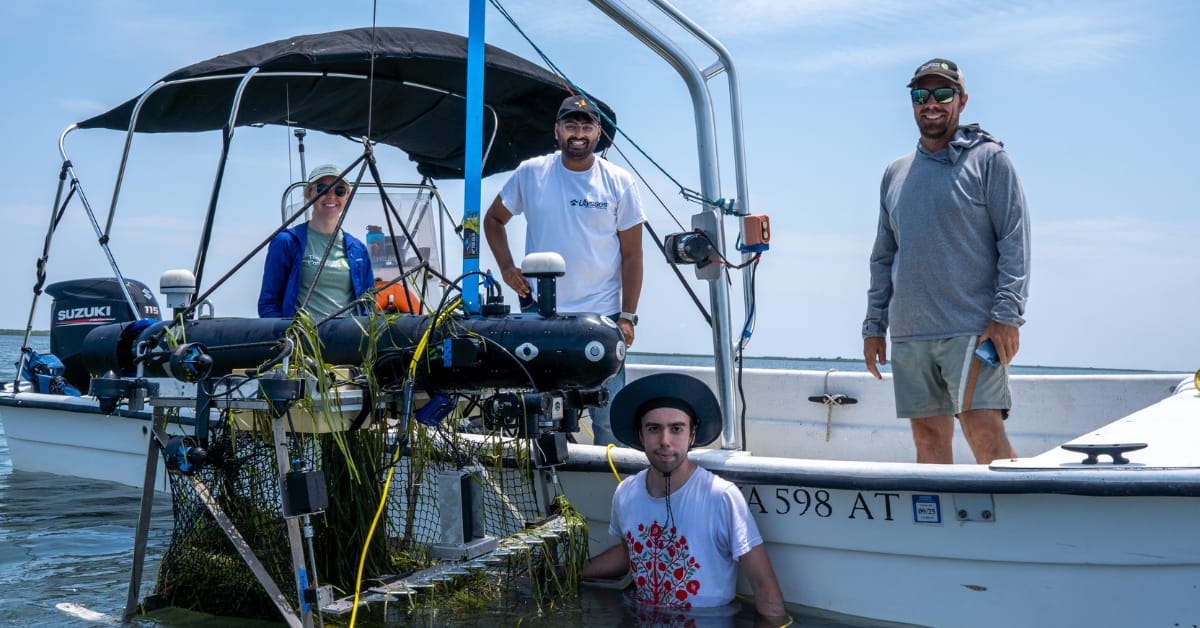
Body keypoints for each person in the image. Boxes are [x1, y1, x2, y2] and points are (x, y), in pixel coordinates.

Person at [862, 58, 1031, 464]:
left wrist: (1007, 316)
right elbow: (883, 256)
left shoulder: (990, 159)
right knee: (927, 439)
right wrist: (874, 326)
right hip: (910, 333)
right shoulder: (895, 173)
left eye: (942, 93)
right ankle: (939, 510)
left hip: (973, 329)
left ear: (962, 100)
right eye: (921, 95)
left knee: (984, 432)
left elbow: (1014, 240)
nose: (931, 103)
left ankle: (1015, 508)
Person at [483, 94, 645, 446]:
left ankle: (609, 482)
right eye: (571, 125)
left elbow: (633, 255)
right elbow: (493, 220)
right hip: (541, 318)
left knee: (610, 423)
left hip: (603, 319)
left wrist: (628, 316)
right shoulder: (531, 172)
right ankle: (553, 480)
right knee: (544, 420)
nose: (578, 134)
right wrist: (507, 267)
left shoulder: (620, 181)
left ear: (599, 133)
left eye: (587, 127)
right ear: (557, 130)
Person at [579, 373, 788, 623]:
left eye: (676, 429)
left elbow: (765, 590)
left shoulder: (721, 497)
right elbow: (630, 554)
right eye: (654, 429)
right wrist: (570, 573)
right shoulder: (626, 493)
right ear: (640, 435)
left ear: (692, 435)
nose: (665, 441)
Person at [258, 164, 374, 320]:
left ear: (347, 196)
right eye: (322, 189)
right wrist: (286, 332)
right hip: (303, 333)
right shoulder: (286, 242)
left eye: (339, 190)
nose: (331, 196)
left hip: (348, 334)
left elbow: (368, 305)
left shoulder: (359, 249)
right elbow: (269, 304)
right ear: (309, 193)